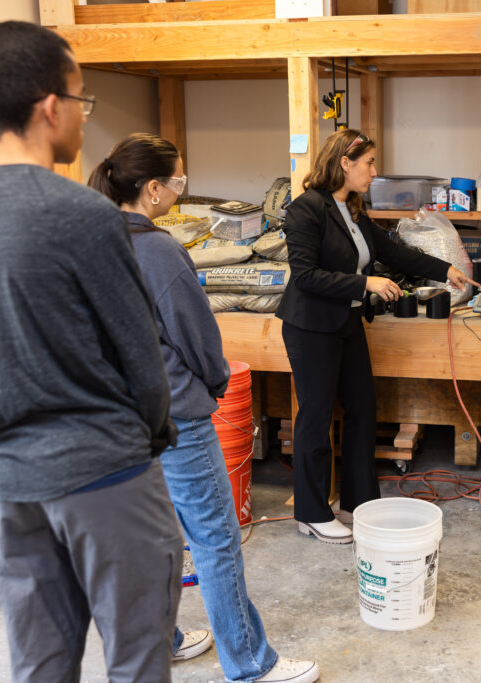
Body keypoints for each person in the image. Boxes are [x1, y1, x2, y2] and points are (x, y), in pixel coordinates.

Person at [0, 22, 184, 681]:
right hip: (106, 472)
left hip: (14, 478)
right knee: (137, 658)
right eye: (81, 98)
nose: (82, 113)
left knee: (39, 664)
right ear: (50, 106)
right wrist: (152, 435)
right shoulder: (85, 215)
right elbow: (142, 359)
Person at [88, 134, 319, 683]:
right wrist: (215, 382)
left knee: (148, 538)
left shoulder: (89, 243)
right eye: (178, 182)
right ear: (152, 189)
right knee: (216, 542)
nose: (180, 191)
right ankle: (249, 663)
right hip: (174, 418)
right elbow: (198, 337)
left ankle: (159, 641)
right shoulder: (160, 250)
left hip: (118, 420)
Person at [276, 129, 476, 544]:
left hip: (347, 324)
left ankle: (357, 503)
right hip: (311, 326)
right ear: (344, 163)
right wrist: (363, 285)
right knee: (314, 418)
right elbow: (306, 275)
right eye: (368, 163)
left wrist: (445, 270)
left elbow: (393, 251)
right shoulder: (306, 209)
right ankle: (311, 512)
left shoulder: (351, 210)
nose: (374, 171)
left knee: (363, 410)